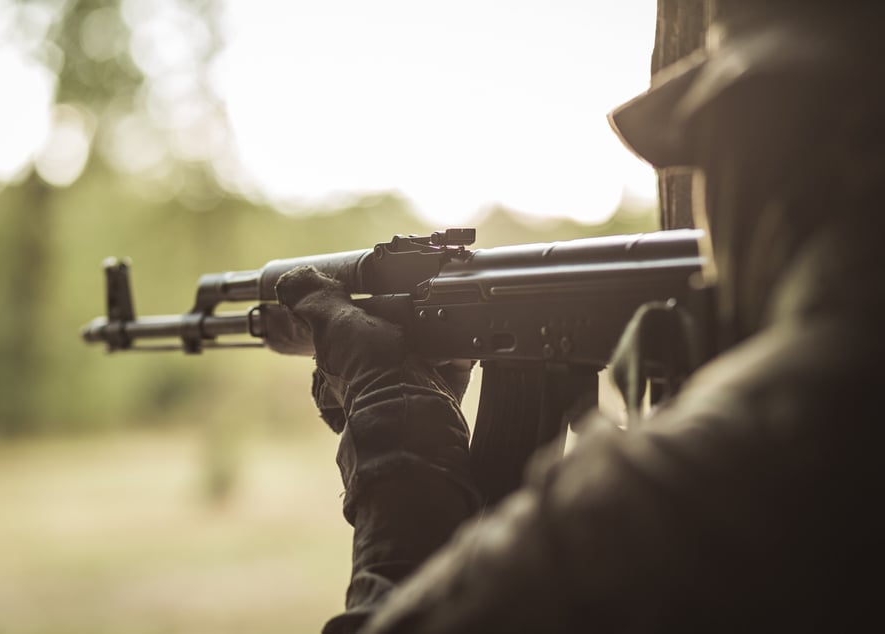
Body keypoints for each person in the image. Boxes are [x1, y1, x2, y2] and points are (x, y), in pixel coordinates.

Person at [275, 1, 885, 631]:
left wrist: (396, 432)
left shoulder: (703, 477)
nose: (705, 195)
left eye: (717, 147)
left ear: (838, 142)